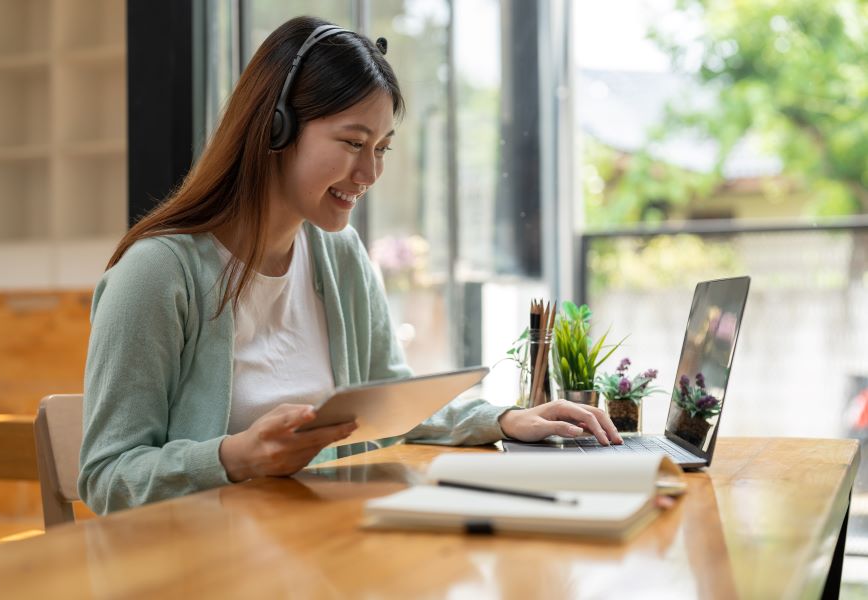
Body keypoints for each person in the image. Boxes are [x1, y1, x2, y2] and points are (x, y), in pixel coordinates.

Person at [79, 15, 622, 515]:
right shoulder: (156, 276)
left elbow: (389, 404)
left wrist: (504, 420)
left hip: (323, 548)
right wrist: (234, 457)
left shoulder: (340, 257)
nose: (369, 172)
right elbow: (107, 478)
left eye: (382, 147)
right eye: (352, 142)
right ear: (275, 129)